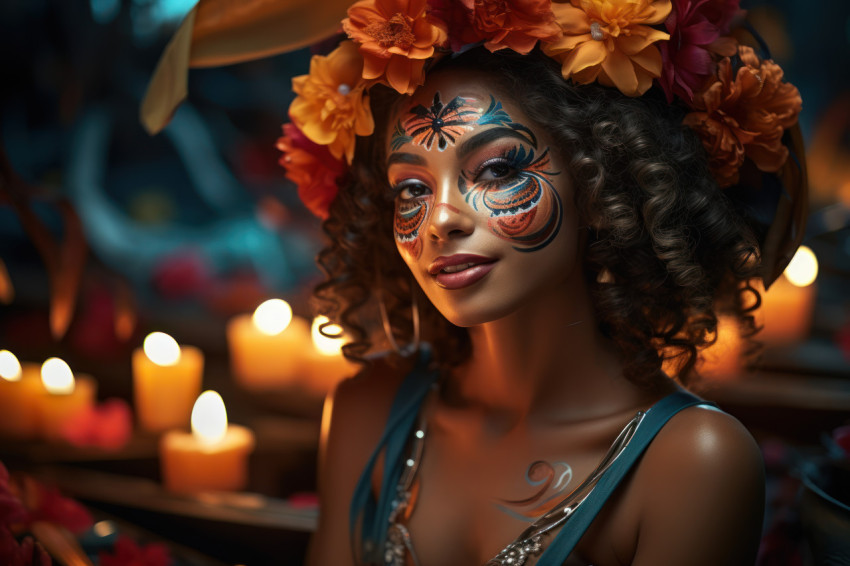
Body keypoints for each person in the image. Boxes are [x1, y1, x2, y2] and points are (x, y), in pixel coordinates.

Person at [147, 0, 804, 564]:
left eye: (495, 171)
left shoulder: (692, 462)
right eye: (410, 187)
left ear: (606, 181)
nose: (440, 221)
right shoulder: (366, 411)